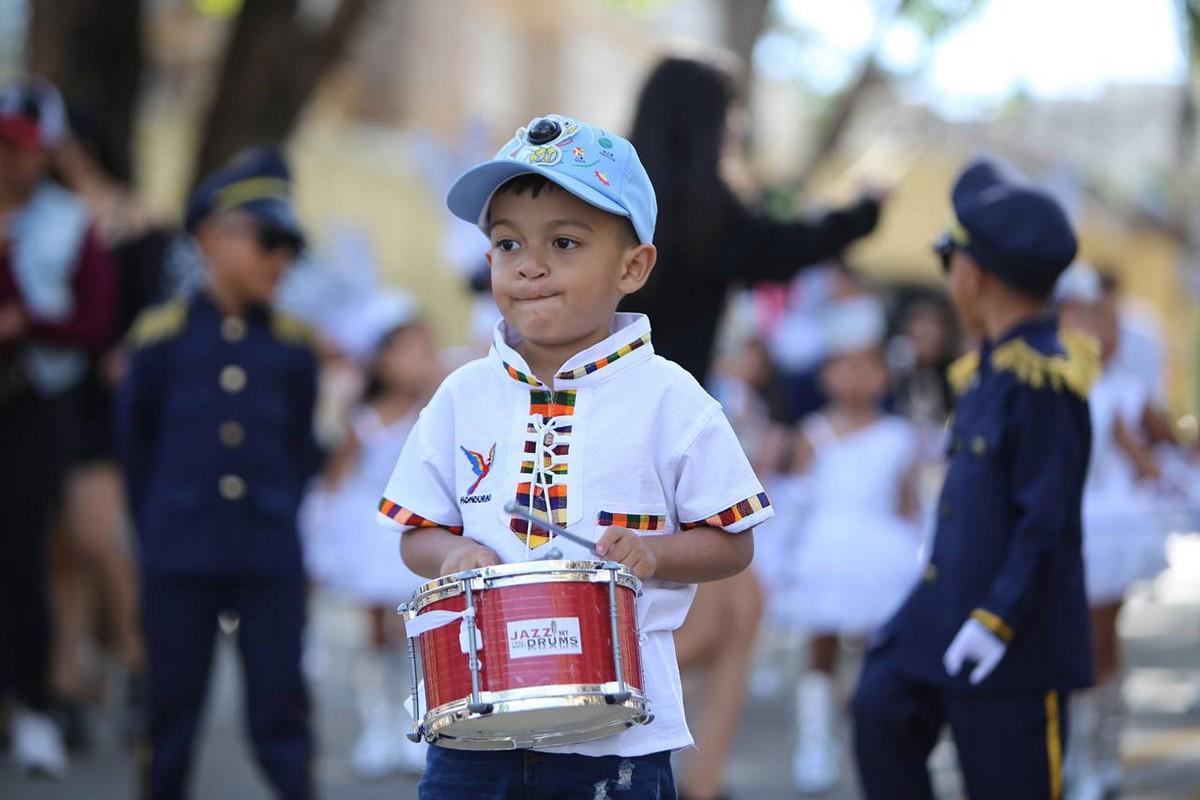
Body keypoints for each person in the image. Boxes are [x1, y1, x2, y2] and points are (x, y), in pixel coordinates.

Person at [377, 114, 773, 799]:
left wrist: (660, 554)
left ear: (633, 265)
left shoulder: (671, 400)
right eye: (507, 244)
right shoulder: (461, 394)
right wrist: (448, 555)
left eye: (564, 242)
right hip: (475, 727)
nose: (529, 264)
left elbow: (733, 545)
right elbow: (415, 530)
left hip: (617, 738)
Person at [852, 157, 1095, 800]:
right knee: (880, 710)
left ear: (973, 275)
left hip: (1013, 635)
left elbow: (1046, 521)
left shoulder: (1043, 381)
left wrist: (997, 620)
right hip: (946, 608)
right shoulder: (987, 371)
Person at [116, 150, 320, 799]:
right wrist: (158, 528)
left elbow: (298, 451)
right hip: (180, 549)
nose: (279, 261)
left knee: (280, 707)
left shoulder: (293, 347)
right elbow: (135, 448)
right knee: (169, 708)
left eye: (289, 247)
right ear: (211, 236)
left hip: (266, 554)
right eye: (268, 241)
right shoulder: (160, 340)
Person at [621, 53, 884, 386]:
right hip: (671, 399)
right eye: (730, 110)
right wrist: (864, 212)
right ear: (706, 121)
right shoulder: (710, 214)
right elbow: (786, 247)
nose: (737, 124)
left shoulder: (607, 196)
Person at [0, 75, 116, 778]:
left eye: (20, 148)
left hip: (34, 409)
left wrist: (24, 322)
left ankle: (37, 706)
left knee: (22, 557)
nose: (9, 161)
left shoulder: (70, 222)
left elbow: (93, 325)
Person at [787, 295, 923, 794]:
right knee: (819, 648)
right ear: (826, 374)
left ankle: (872, 734)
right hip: (824, 553)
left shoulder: (899, 436)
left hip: (880, 557)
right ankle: (816, 744)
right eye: (844, 365)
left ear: (884, 374)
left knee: (876, 651)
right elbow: (798, 501)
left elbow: (908, 507)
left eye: (867, 365)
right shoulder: (814, 433)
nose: (856, 376)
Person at [300, 297, 439, 779]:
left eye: (427, 349)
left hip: (417, 533)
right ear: (382, 358)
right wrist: (320, 535)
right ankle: (376, 724)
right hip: (372, 535)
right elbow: (336, 480)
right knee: (375, 630)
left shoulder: (434, 415)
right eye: (410, 350)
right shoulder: (363, 421)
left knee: (418, 632)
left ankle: (417, 721)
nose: (423, 359)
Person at [1055, 264, 1171, 800]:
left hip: (1106, 528)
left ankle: (1098, 753)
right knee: (1063, 639)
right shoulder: (1048, 385)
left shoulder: (1121, 392)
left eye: (1097, 319)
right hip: (1061, 523)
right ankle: (1075, 751)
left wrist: (1157, 471)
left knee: (1099, 642)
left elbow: (1150, 453)